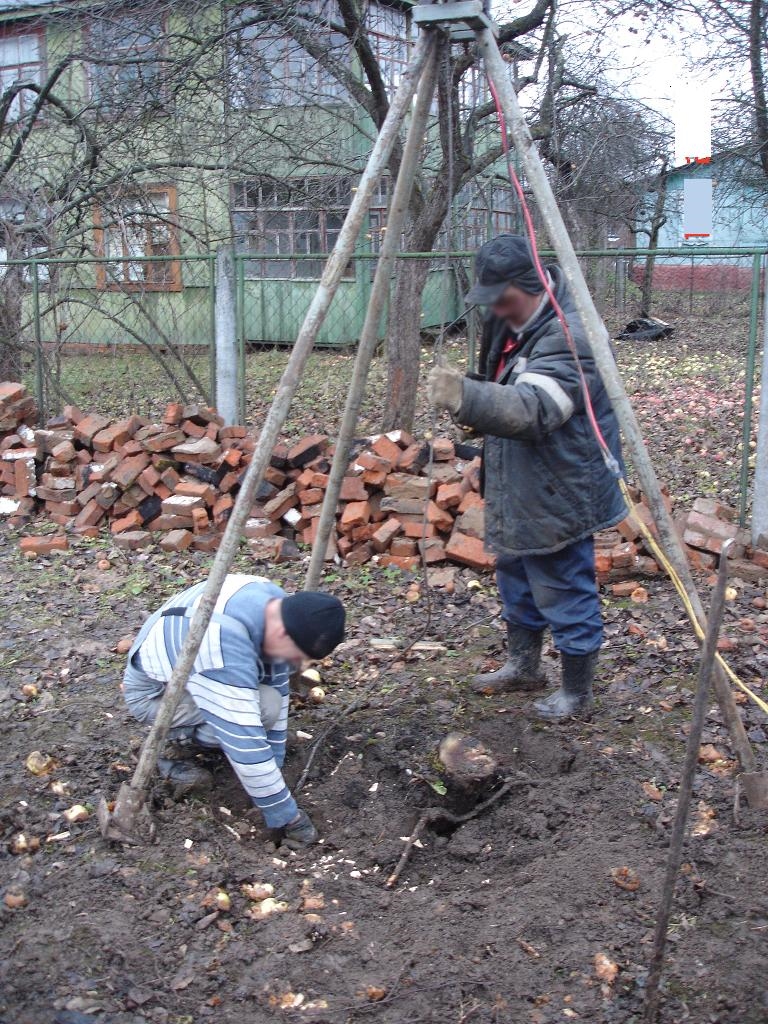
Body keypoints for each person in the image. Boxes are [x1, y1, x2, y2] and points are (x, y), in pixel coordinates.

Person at [428, 234, 625, 720]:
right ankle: (524, 665)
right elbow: (506, 391)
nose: (494, 306)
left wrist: (466, 398)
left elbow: (537, 408)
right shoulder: (510, 321)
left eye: (503, 296)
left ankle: (577, 693)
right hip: (521, 475)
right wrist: (484, 458)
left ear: (532, 284)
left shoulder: (571, 335)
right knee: (515, 573)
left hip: (561, 483)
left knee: (561, 582)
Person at [122, 574, 345, 845]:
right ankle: (170, 746)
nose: (297, 665)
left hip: (192, 669)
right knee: (254, 715)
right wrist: (288, 818)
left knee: (269, 705)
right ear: (282, 634)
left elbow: (277, 681)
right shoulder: (221, 649)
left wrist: (274, 762)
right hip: (156, 695)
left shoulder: (274, 601)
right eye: (297, 656)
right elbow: (244, 739)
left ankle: (255, 774)